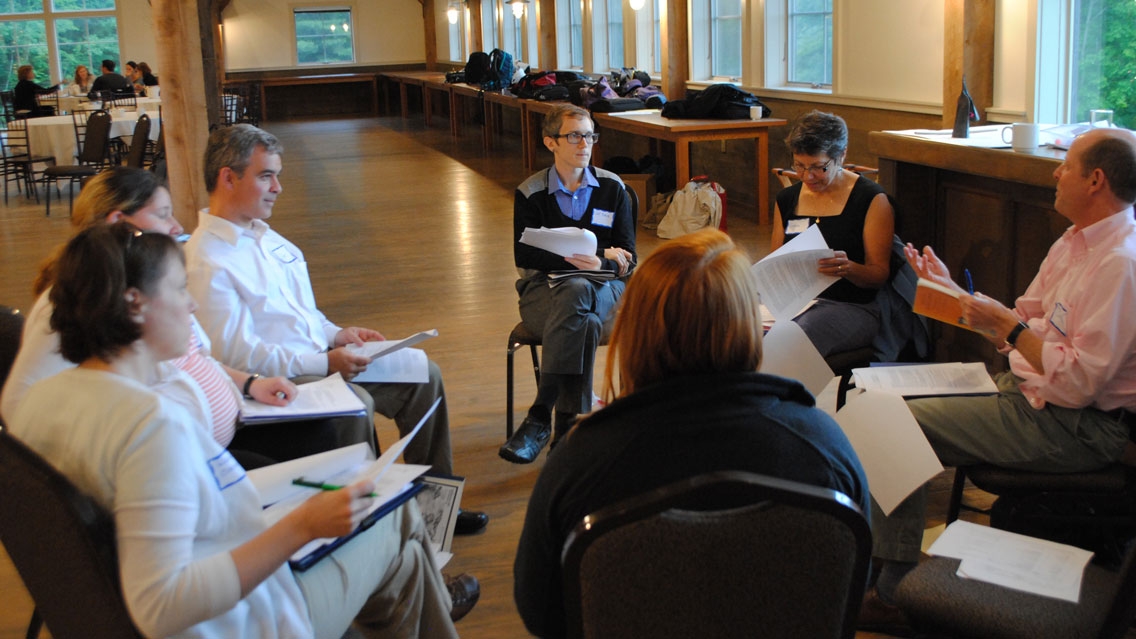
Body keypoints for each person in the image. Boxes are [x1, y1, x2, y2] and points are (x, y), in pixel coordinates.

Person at [7, 222, 466, 638]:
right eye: (180, 289)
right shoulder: (150, 426)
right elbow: (161, 606)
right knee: (394, 513)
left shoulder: (39, 402)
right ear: (135, 303)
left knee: (398, 548)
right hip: (242, 618)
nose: (191, 305)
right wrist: (303, 525)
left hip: (208, 564)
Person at [513, 228, 870, 638]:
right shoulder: (823, 444)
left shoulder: (582, 461)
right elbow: (850, 583)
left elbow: (540, 611)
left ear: (637, 329)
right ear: (749, 326)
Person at [861, 127, 1136, 628]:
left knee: (890, 422)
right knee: (874, 399)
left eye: (1066, 164)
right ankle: (885, 566)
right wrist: (946, 292)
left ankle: (893, 591)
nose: (1055, 171)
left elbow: (1075, 383)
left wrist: (1008, 326)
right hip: (1031, 395)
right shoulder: (1075, 241)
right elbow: (1014, 328)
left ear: (1096, 180)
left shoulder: (1121, 264)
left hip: (1080, 425)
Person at [185, 124, 489, 535]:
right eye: (265, 176)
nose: (278, 187)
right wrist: (324, 361)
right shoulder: (207, 259)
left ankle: (436, 510)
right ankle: (384, 526)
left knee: (424, 375)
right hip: (280, 381)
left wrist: (336, 334)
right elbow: (236, 355)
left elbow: (303, 313)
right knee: (357, 401)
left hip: (319, 359)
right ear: (227, 177)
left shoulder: (268, 237)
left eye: (278, 175)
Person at [0, 168, 375, 470]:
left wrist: (249, 384)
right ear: (121, 223)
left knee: (328, 435)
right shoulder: (81, 301)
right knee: (330, 451)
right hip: (180, 457)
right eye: (164, 215)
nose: (178, 226)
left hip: (213, 434)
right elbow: (25, 406)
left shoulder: (146, 286)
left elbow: (195, 357)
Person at [498, 103, 636, 464]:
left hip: (606, 290)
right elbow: (525, 257)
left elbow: (629, 259)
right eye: (574, 135)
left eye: (589, 135)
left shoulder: (613, 187)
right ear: (550, 142)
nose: (584, 143)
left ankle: (540, 414)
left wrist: (601, 260)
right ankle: (566, 427)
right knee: (583, 319)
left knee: (579, 293)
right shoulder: (531, 193)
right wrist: (576, 260)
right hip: (543, 292)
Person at [770, 110, 895, 358]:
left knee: (793, 338)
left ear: (842, 154)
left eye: (819, 167)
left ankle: (780, 394)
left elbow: (879, 275)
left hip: (852, 306)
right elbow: (775, 261)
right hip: (797, 303)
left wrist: (847, 268)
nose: (807, 176)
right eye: (799, 166)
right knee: (735, 325)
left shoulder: (870, 199)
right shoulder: (787, 199)